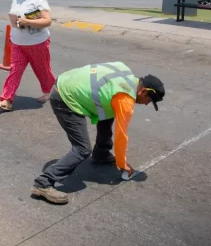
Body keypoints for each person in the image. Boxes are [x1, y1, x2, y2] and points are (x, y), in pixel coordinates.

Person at [31, 63, 165, 204]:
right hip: (64, 98)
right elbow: (121, 136)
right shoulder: (125, 99)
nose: (146, 104)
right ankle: (43, 182)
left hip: (66, 80)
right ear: (143, 91)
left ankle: (101, 154)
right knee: (82, 149)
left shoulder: (124, 70)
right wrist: (122, 163)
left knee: (109, 114)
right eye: (149, 100)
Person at [0, 0, 56, 111]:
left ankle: (51, 91)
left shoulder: (39, 0)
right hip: (17, 42)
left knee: (43, 70)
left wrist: (26, 21)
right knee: (14, 71)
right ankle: (6, 100)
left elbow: (47, 21)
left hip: (37, 43)